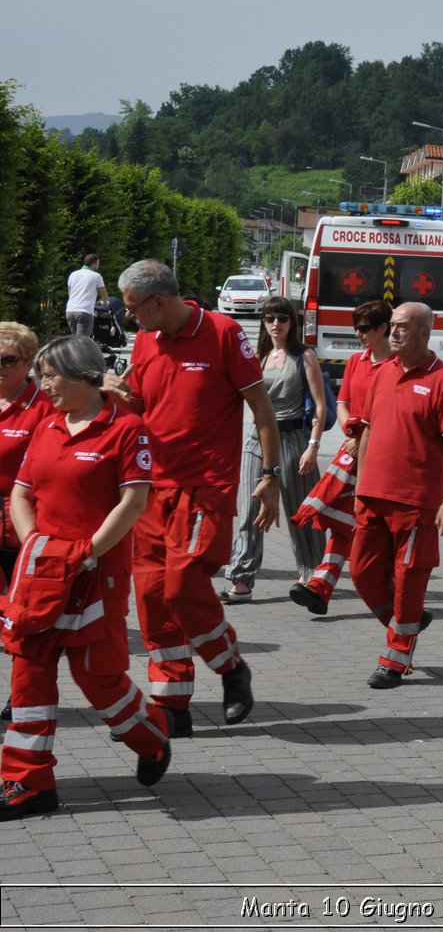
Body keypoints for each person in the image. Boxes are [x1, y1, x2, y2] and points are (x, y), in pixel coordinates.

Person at [1, 336, 170, 819]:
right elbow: (21, 494)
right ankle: (26, 782)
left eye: (51, 375)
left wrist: (84, 553)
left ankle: (152, 736)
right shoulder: (48, 426)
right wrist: (38, 545)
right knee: (29, 671)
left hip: (98, 571)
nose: (44, 384)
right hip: (44, 570)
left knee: (97, 676)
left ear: (81, 376)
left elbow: (133, 502)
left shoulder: (126, 429)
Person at [104, 260, 273, 734]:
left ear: (159, 302)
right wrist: (121, 396)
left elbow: (261, 407)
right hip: (151, 489)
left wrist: (271, 475)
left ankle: (232, 668)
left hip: (205, 487)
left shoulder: (222, 333)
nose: (131, 318)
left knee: (182, 587)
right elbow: (143, 405)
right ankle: (172, 701)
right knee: (153, 597)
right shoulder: (145, 340)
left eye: (134, 308)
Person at [349, 303, 443, 688]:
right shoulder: (380, 373)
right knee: (362, 573)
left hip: (416, 503)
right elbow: (365, 432)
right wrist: (360, 484)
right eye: (392, 326)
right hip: (372, 494)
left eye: (402, 327)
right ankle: (407, 621)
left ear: (424, 333)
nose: (393, 332)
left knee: (408, 581)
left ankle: (395, 660)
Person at [220, 297, 327, 603]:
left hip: (294, 438)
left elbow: (319, 406)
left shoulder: (304, 356)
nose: (276, 324)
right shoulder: (260, 355)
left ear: (292, 322)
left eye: (282, 318)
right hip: (257, 438)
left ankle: (312, 575)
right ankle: (241, 580)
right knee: (251, 509)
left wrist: (313, 446)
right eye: (270, 319)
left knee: (301, 511)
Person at [290, 300, 392, 613]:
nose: (358, 334)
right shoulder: (356, 363)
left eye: (364, 328)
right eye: (356, 328)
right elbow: (344, 402)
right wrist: (351, 428)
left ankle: (390, 592)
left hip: (381, 456)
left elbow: (392, 411)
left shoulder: (395, 366)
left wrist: (364, 435)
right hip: (352, 454)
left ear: (383, 328)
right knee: (343, 522)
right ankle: (320, 587)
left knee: (363, 525)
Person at [0, 324, 47, 585]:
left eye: (8, 360)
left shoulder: (44, 408)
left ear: (28, 363)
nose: (0, 366)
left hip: (20, 527)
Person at [65, 254, 108, 337]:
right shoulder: (96, 276)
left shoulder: (73, 274)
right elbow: (103, 292)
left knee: (75, 340)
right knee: (82, 342)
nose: (98, 266)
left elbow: (70, 294)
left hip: (70, 311)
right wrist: (105, 303)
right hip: (84, 311)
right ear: (93, 264)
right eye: (98, 264)